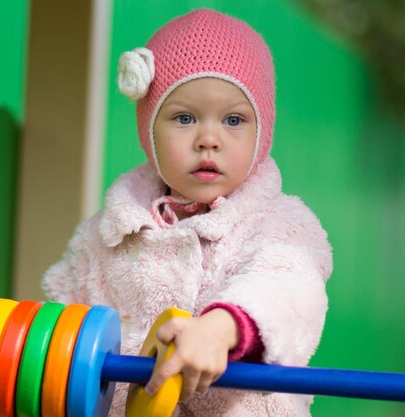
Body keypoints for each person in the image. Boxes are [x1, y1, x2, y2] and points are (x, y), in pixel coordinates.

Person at [42, 8, 332, 417]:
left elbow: (288, 289)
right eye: (184, 117)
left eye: (234, 119)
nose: (208, 139)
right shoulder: (105, 236)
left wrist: (223, 327)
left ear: (262, 130)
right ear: (149, 131)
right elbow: (60, 323)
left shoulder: (281, 225)